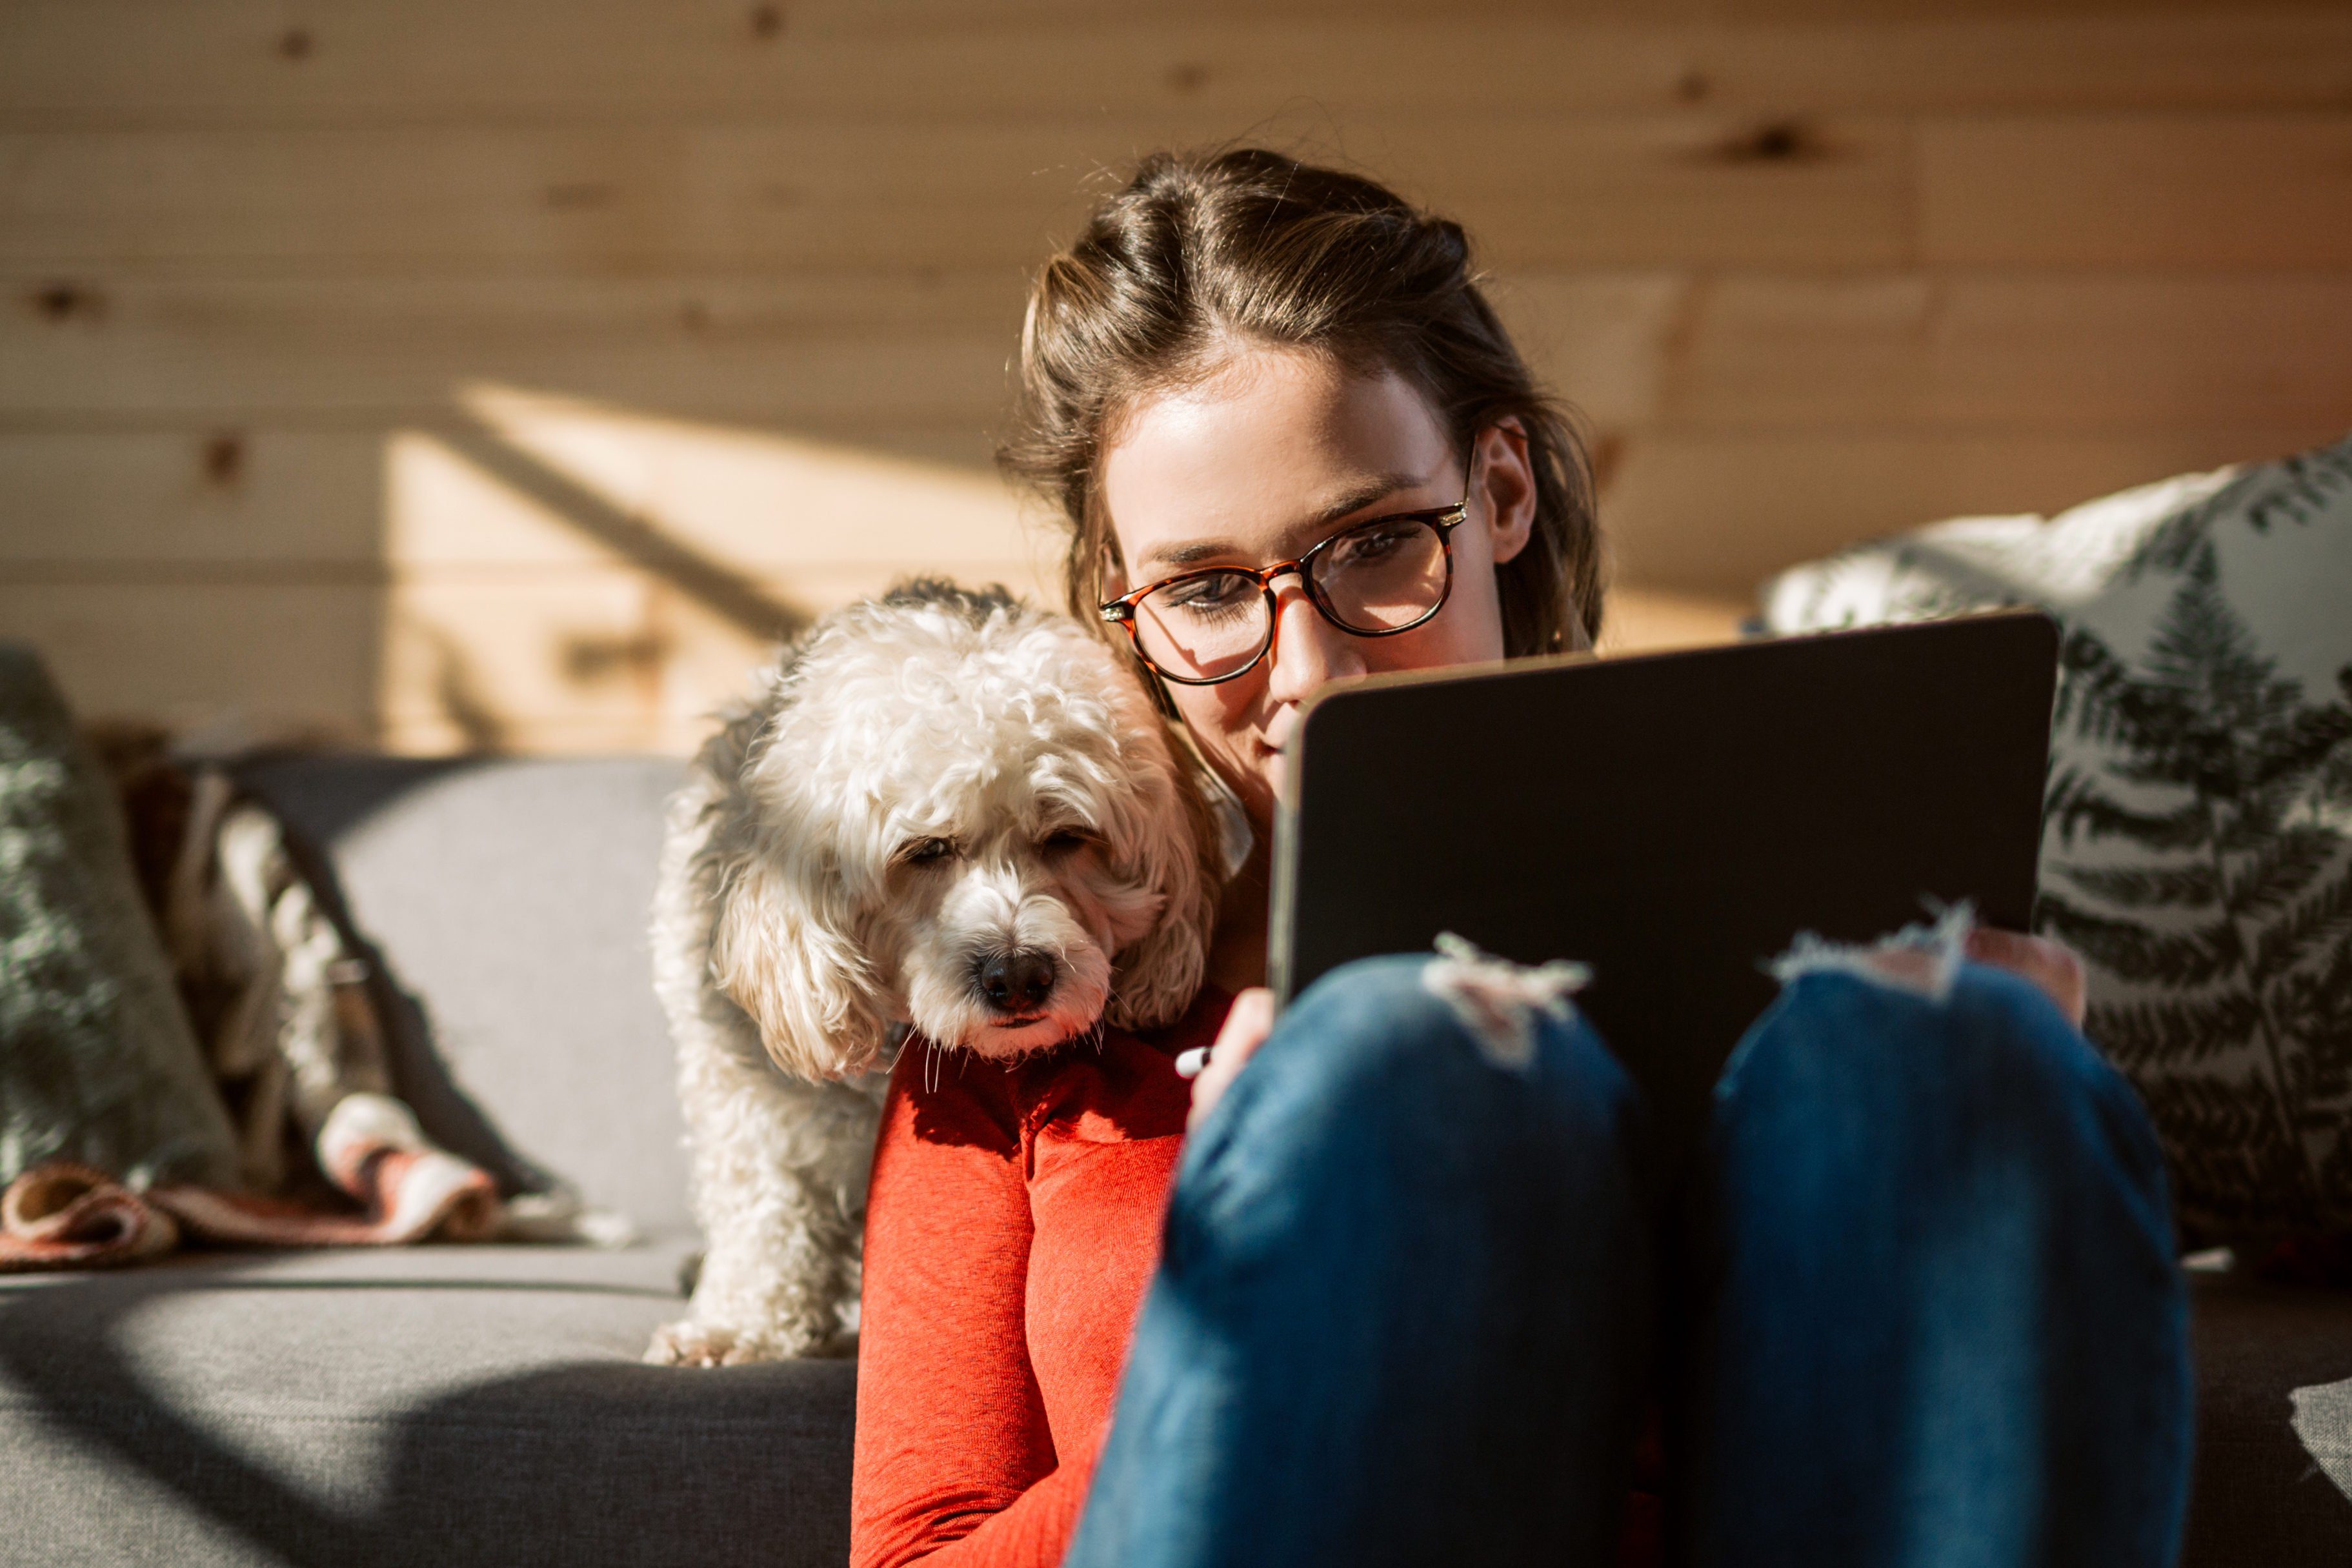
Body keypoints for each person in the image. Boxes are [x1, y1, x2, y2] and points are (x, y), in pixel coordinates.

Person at [849, 148, 2191, 1568]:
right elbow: (918, 1553)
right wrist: (1263, 1295)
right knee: (1400, 1067)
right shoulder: (1017, 1028)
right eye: (1203, 589)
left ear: (1497, 493)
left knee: (1950, 1047)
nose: (1312, 669)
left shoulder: (1810, 987)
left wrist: (2007, 1107)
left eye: (1371, 545)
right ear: (1124, 613)